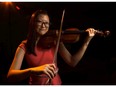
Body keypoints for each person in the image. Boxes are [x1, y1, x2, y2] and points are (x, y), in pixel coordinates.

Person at [7, 9, 96, 85]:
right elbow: (10, 76)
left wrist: (86, 42)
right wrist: (33, 70)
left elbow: (72, 62)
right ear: (33, 23)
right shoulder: (24, 46)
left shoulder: (54, 41)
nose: (44, 25)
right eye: (39, 22)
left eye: (46, 23)